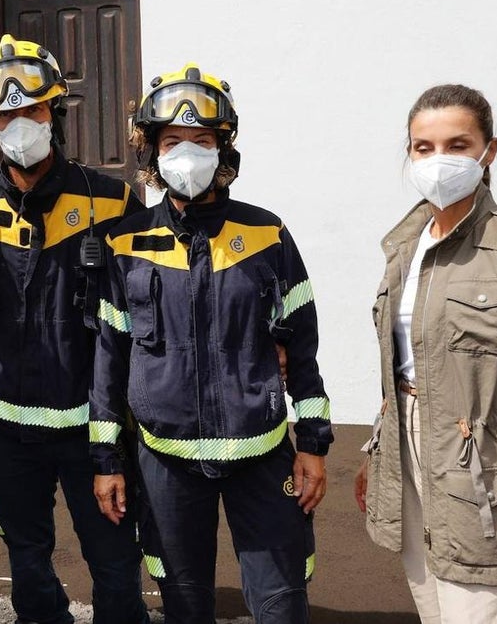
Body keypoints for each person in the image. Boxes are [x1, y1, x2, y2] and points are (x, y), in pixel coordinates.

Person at [90, 64, 332, 622]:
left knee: (282, 605)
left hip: (262, 456)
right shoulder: (124, 243)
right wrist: (107, 458)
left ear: (225, 150)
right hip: (164, 461)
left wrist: (314, 444)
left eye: (202, 141)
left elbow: (304, 349)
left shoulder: (267, 234)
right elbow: (108, 362)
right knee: (185, 605)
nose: (188, 154)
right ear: (151, 154)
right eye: (173, 141)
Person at [353, 84, 497, 624]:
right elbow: (404, 368)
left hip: (483, 475)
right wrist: (379, 454)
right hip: (408, 461)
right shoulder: (405, 247)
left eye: (458, 145)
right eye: (423, 147)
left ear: (490, 151)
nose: (439, 160)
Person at [0, 35, 148, 624]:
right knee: (28, 561)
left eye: (32, 111)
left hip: (93, 427)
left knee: (114, 561)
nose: (20, 125)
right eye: (5, 115)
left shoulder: (114, 201)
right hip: (6, 428)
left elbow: (143, 314)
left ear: (55, 112)